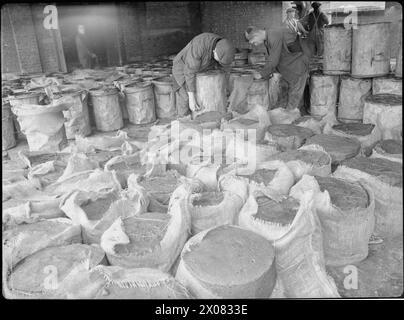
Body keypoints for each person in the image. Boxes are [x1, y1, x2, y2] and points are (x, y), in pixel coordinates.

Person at [244, 26, 310, 112]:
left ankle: (292, 121)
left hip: (297, 69)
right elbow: (272, 57)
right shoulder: (268, 40)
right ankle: (290, 117)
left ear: (256, 34)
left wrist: (261, 74)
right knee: (287, 99)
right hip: (290, 70)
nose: (255, 45)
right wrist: (268, 71)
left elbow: (274, 60)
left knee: (294, 101)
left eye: (253, 42)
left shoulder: (274, 35)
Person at [172, 33, 235, 113]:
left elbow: (225, 70)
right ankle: (182, 120)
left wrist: (226, 90)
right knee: (185, 99)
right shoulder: (200, 45)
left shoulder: (223, 47)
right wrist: (192, 99)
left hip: (199, 70)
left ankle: (198, 121)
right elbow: (189, 71)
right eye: (219, 60)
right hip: (182, 69)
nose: (219, 62)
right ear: (214, 51)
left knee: (202, 97)